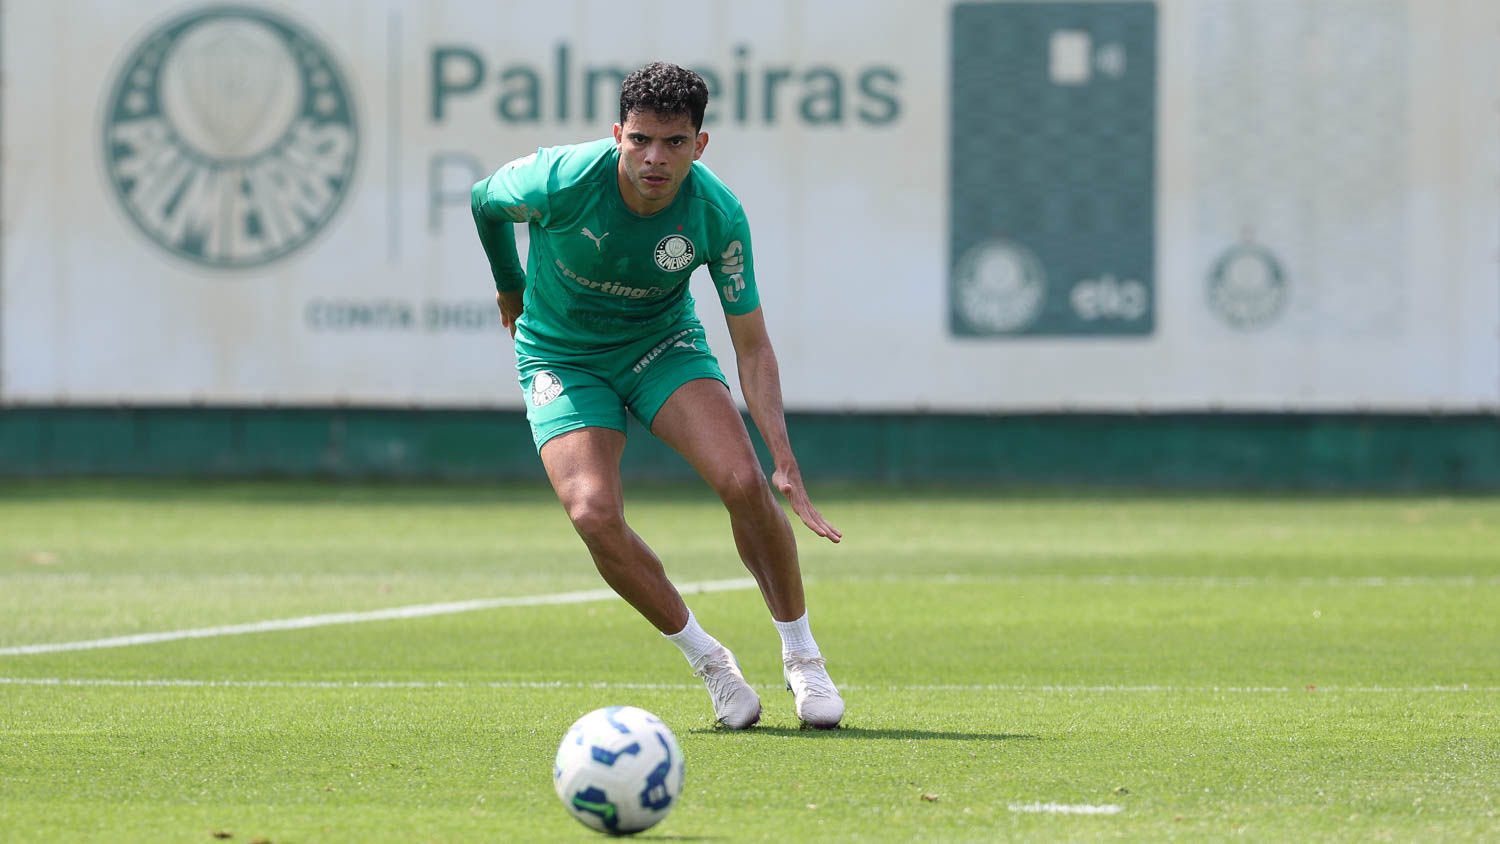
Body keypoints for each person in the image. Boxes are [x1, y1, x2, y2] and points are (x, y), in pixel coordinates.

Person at [470, 62, 844, 729]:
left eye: (674, 143)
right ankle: (710, 663)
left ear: (700, 145)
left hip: (660, 348)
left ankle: (802, 657)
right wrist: (509, 283)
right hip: (562, 356)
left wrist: (782, 460)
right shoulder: (560, 179)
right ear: (618, 133)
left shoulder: (716, 213)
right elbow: (483, 200)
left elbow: (752, 346)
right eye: (640, 139)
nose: (654, 158)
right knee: (591, 513)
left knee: (742, 480)